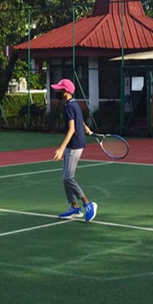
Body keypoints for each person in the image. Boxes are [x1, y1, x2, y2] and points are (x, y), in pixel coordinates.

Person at [52, 79, 97, 222]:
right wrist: (86, 128)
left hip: (74, 145)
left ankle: (88, 204)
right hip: (76, 143)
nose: (57, 91)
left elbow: (71, 129)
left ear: (66, 91)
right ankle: (74, 208)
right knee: (65, 178)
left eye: (59, 89)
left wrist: (61, 148)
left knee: (68, 178)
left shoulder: (68, 107)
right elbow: (80, 119)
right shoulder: (74, 104)